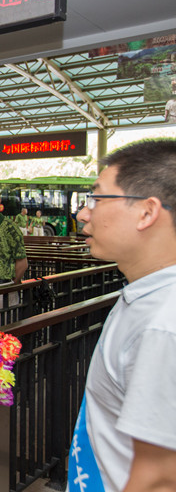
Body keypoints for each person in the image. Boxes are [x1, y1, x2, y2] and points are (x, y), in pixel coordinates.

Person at [67, 140, 176, 492]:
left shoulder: (163, 324)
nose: (83, 214)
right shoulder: (142, 295)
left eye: (97, 199)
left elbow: (160, 478)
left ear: (146, 212)